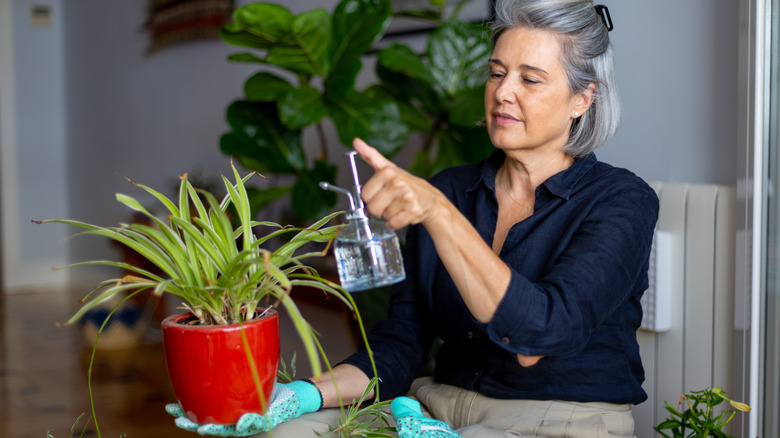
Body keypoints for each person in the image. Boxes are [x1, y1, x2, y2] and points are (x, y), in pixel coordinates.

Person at [169, 0, 658, 436]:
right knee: (289, 433)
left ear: (582, 98)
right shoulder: (450, 188)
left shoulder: (621, 201)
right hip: (434, 408)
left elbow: (539, 335)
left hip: (559, 418)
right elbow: (401, 343)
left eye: (530, 79)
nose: (503, 92)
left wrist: (440, 215)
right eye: (495, 72)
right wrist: (297, 397)